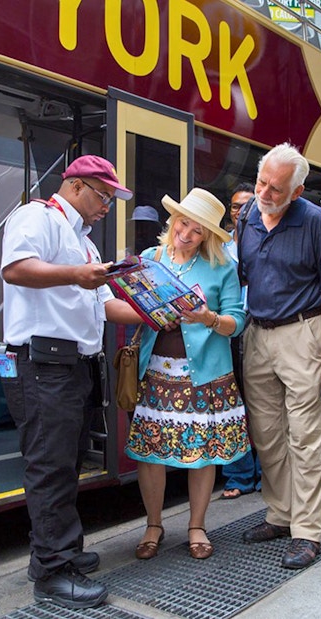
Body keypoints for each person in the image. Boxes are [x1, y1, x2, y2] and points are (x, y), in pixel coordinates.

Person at [1, 155, 142, 610]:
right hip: (42, 365)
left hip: (75, 367)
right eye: (103, 197)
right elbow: (16, 269)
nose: (107, 207)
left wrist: (160, 312)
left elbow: (105, 306)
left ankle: (61, 553)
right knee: (51, 466)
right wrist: (75, 276)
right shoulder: (36, 216)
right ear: (77, 185)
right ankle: (52, 571)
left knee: (69, 462)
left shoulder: (85, 244)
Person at [239, 143, 321, 570]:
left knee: (306, 436)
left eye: (276, 188)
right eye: (261, 181)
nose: (264, 192)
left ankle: (307, 531)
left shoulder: (316, 222)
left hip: (304, 332)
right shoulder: (248, 216)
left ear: (297, 191)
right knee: (266, 434)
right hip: (258, 333)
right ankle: (281, 515)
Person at [125, 187, 250, 560]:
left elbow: (238, 322)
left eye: (198, 230)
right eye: (184, 223)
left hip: (205, 376)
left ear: (208, 235)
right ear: (173, 220)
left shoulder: (222, 267)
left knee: (203, 454)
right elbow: (131, 303)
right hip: (156, 371)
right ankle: (153, 524)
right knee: (151, 454)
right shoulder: (151, 257)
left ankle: (197, 526)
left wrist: (207, 318)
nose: (187, 233)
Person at [221, 182, 262, 499]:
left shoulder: (266, 240)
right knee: (232, 403)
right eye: (236, 206)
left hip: (260, 327)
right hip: (228, 331)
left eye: (247, 205)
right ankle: (239, 474)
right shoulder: (220, 246)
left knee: (262, 404)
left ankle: (265, 472)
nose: (241, 211)